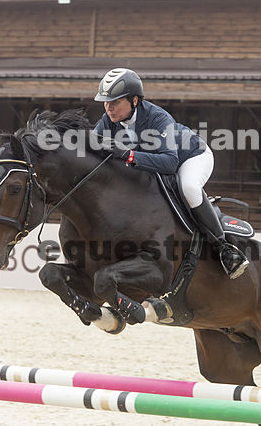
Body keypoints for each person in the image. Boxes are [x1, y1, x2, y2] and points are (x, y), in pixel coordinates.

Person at [93, 68, 248, 279]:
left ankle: (224, 248)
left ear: (134, 100)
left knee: (188, 187)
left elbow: (170, 163)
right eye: (105, 102)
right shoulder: (107, 120)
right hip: (157, 164)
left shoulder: (157, 118)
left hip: (191, 157)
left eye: (115, 102)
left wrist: (129, 155)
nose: (109, 107)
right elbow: (92, 148)